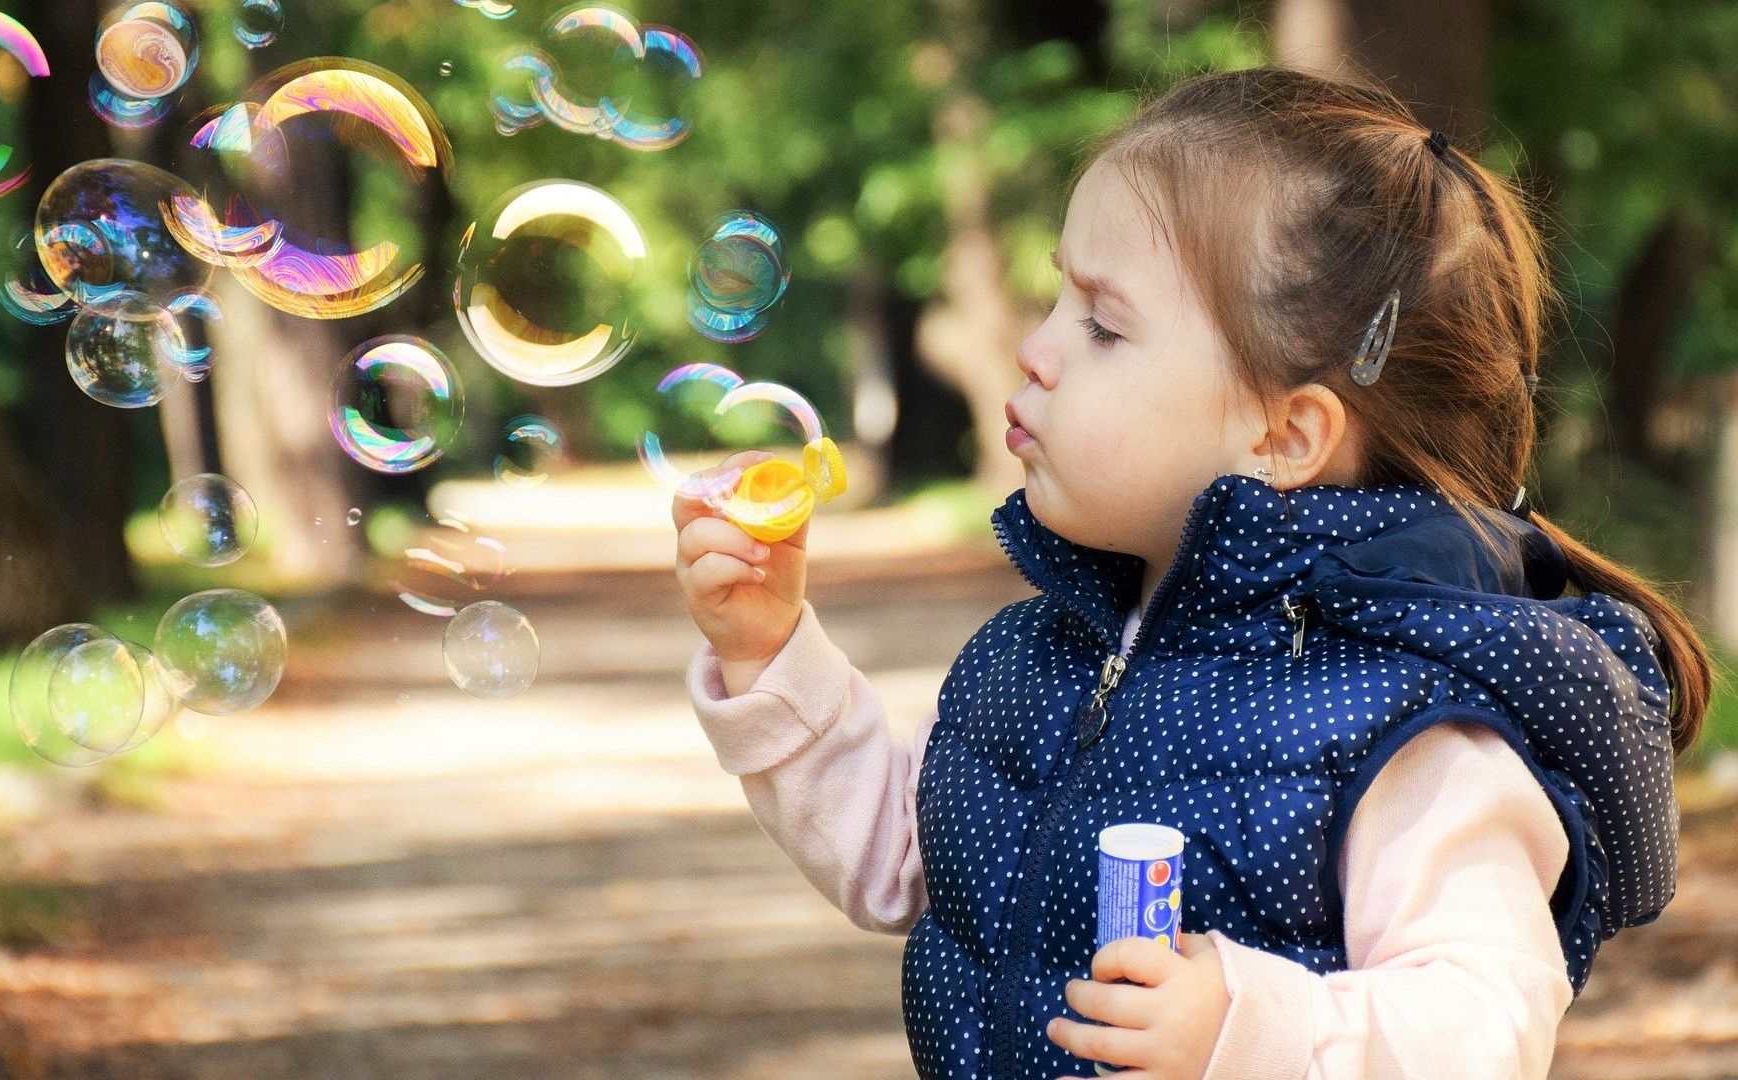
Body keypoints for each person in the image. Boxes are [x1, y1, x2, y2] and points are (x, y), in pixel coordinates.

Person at [673, 64, 1708, 1080]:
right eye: (1054, 298)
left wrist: (1249, 1029)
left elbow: (1487, 1022)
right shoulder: (1048, 651)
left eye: (1103, 324)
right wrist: (772, 655)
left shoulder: (1405, 721)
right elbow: (918, 863)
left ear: (1285, 431)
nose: (1035, 351)